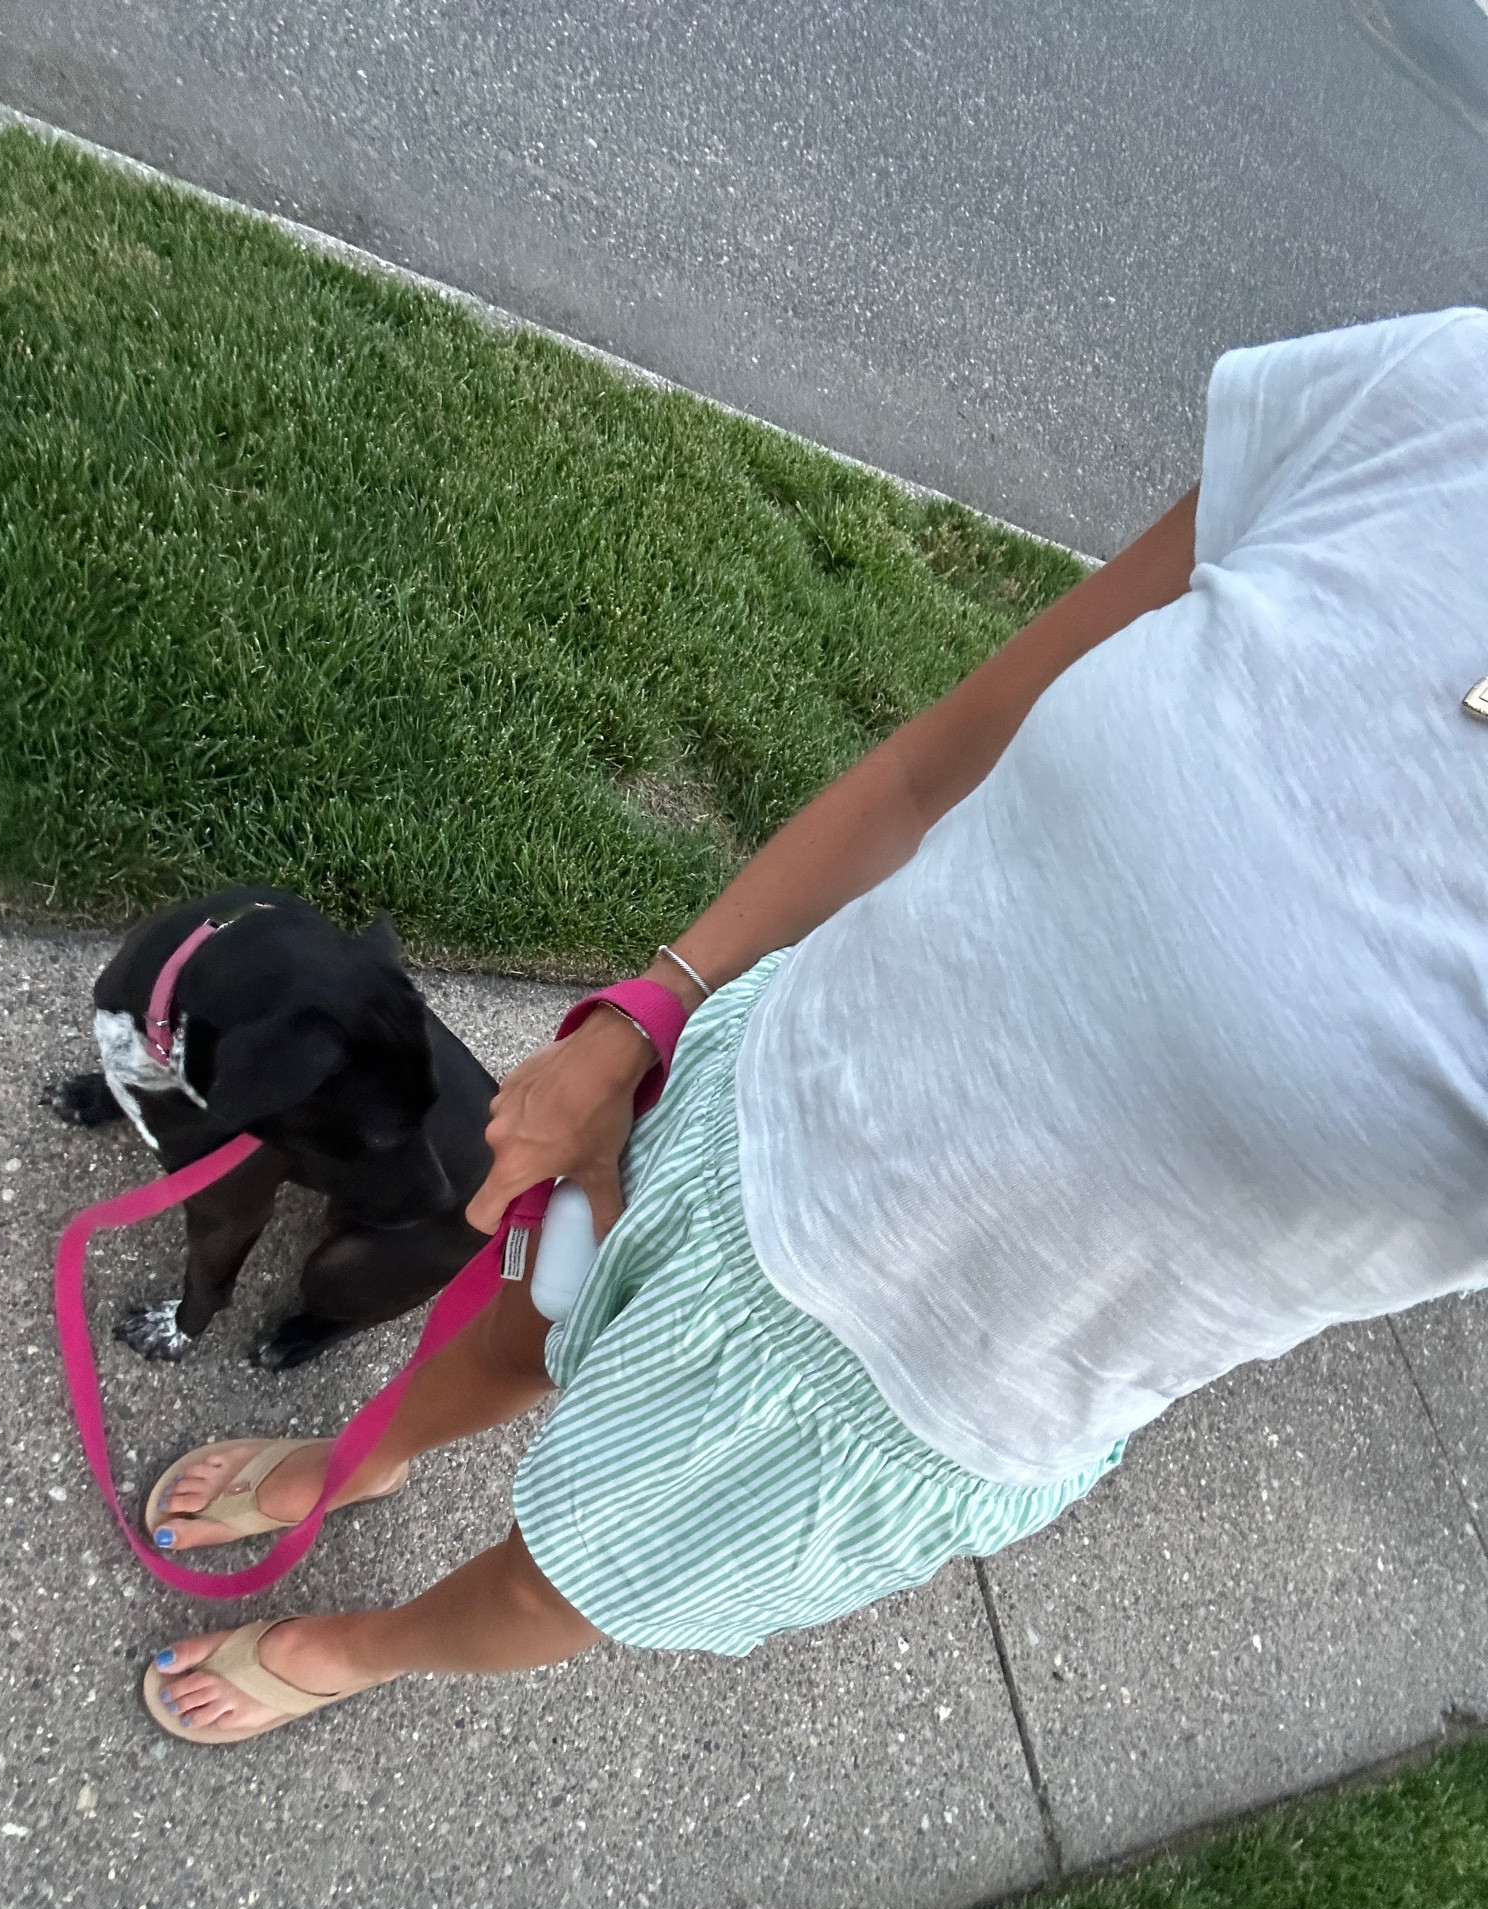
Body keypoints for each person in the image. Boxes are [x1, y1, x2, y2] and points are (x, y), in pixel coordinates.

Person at [143, 306, 1488, 1743]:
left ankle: (360, 1649)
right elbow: (931, 774)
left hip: (926, 1387)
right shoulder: (1444, 403)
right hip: (762, 1102)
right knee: (501, 1342)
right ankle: (362, 1458)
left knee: (561, 1584)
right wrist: (641, 1017)